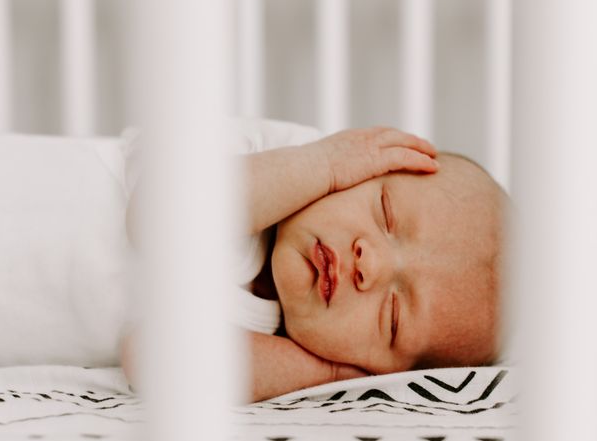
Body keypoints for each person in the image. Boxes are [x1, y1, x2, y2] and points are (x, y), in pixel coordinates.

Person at [121, 123, 510, 402]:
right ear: (366, 167)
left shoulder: (281, 344)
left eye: (392, 316)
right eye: (386, 214)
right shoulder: (267, 155)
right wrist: (324, 166)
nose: (368, 265)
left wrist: (329, 374)